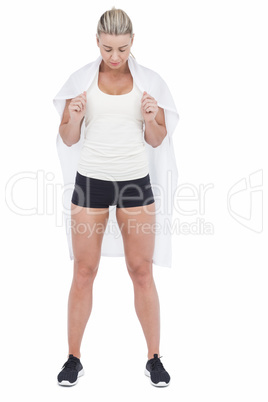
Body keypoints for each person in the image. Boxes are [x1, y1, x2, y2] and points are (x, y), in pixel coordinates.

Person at [56, 7, 175, 388]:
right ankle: (73, 358)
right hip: (90, 180)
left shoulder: (149, 83)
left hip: (134, 183)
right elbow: (68, 138)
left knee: (141, 271)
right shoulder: (81, 80)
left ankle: (154, 358)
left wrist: (154, 116)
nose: (114, 57)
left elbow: (157, 139)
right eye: (108, 48)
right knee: (83, 272)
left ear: (132, 43)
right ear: (97, 42)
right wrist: (73, 115)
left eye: (122, 49)